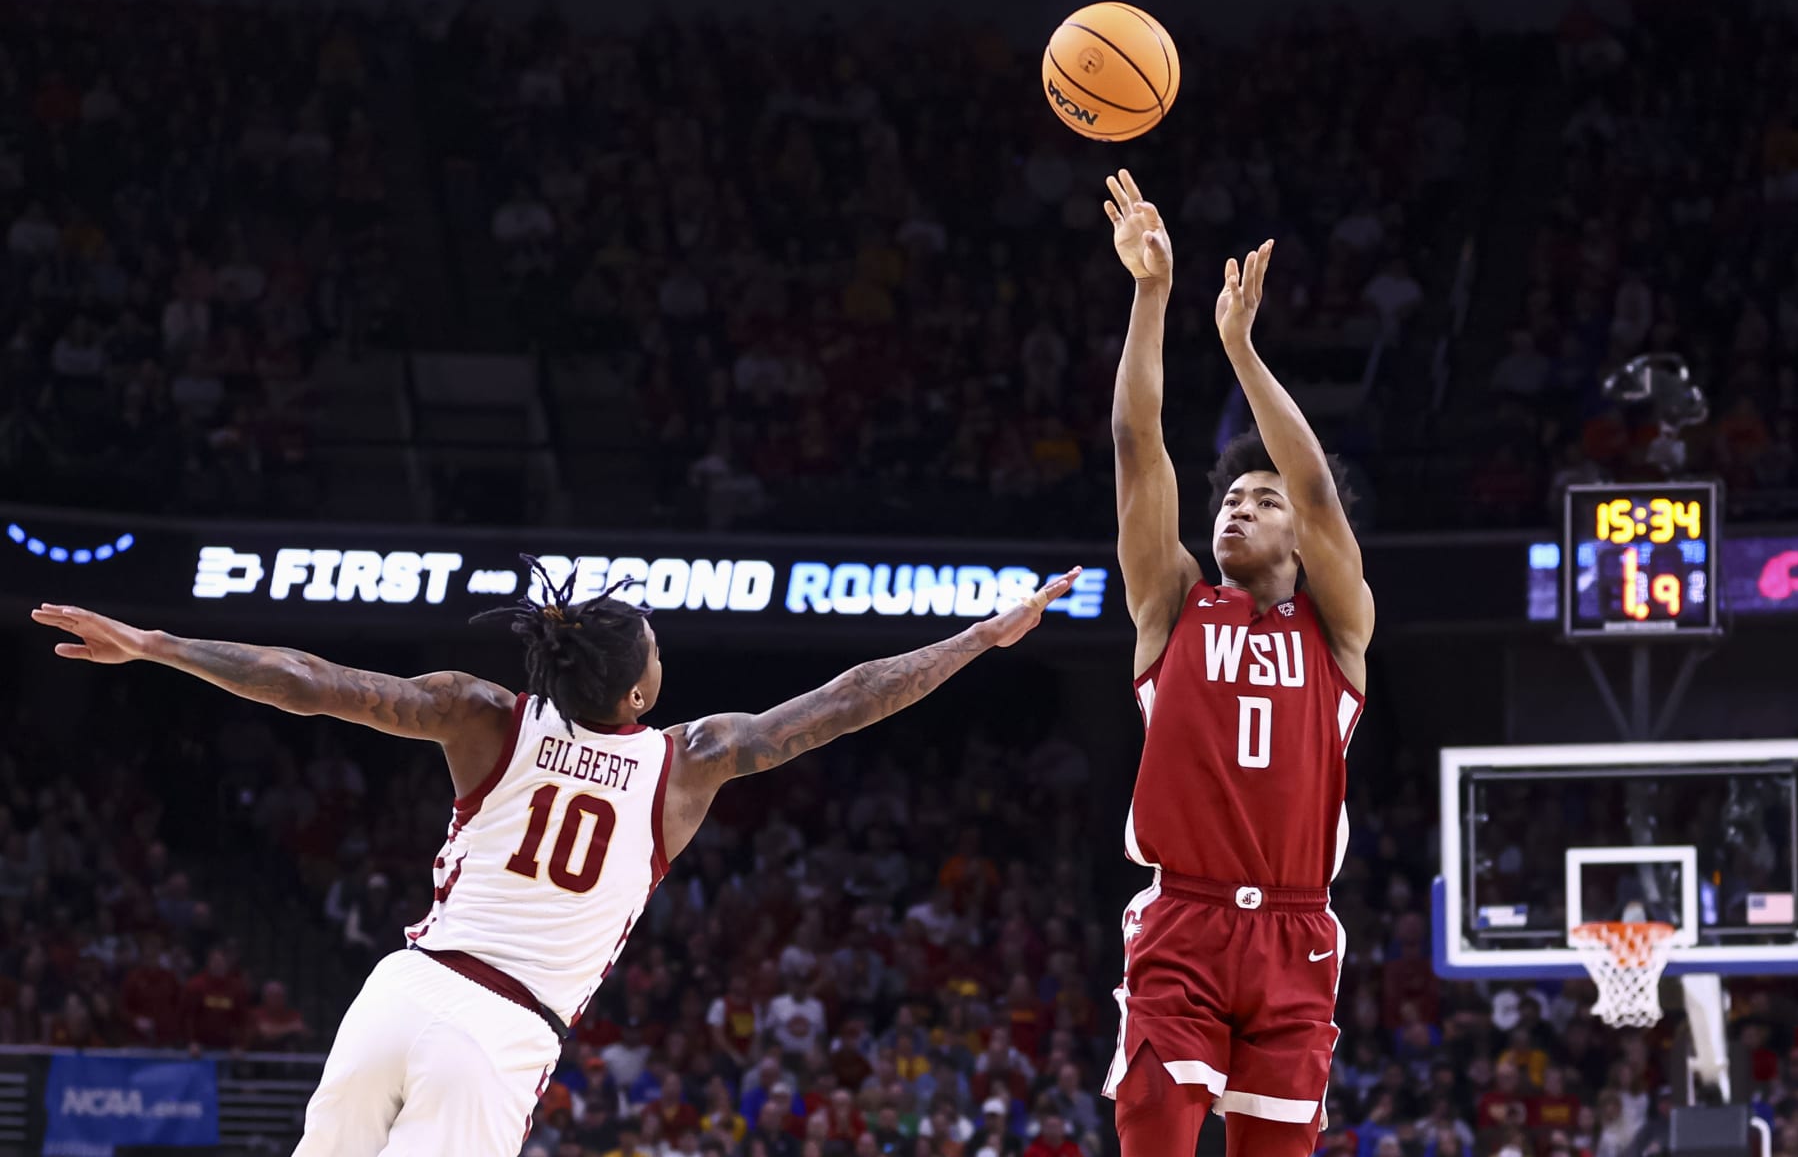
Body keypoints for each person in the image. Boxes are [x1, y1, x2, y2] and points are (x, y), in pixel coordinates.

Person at [31, 558, 1078, 1157]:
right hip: (499, 1033)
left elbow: (309, 678)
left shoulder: (483, 716)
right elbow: (850, 699)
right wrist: (980, 636)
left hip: (399, 990)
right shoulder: (689, 761)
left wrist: (161, 646)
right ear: (635, 696)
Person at [1098, 168, 1375, 1157]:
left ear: (1302, 538)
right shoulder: (1173, 607)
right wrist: (1151, 293)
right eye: (1229, 499)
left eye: (1260, 501)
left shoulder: (1337, 630)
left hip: (1298, 936)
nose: (1237, 506)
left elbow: (1314, 487)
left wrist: (1243, 351)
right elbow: (1138, 447)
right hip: (1183, 924)